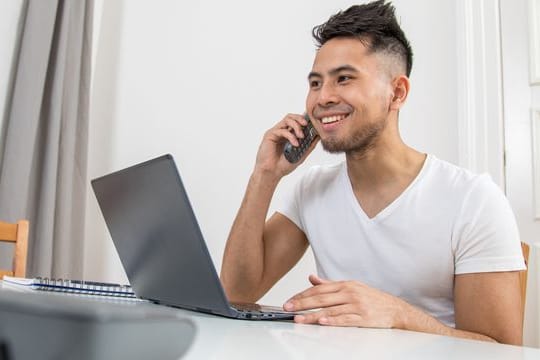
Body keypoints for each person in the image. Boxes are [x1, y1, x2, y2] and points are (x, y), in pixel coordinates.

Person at [220, 0, 526, 345]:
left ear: (397, 92)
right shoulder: (311, 188)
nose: (322, 98)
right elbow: (235, 293)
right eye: (316, 83)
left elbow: (503, 350)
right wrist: (265, 175)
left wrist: (398, 315)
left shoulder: (473, 199)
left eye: (344, 79)